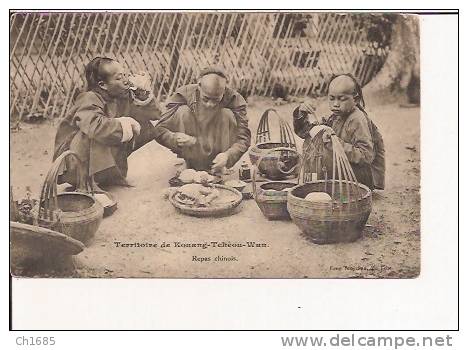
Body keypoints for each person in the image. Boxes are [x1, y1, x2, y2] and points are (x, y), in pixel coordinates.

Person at [53, 57, 162, 190]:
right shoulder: (89, 98)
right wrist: (125, 122)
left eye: (125, 75)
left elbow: (155, 115)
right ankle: (85, 182)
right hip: (74, 160)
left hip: (93, 152)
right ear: (102, 85)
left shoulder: (121, 95)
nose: (126, 80)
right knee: (96, 131)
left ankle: (107, 175)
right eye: (119, 78)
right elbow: (95, 127)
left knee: (145, 126)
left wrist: (143, 93)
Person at [293, 73, 385, 190]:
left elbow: (366, 156)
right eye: (332, 98)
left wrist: (334, 143)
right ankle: (319, 183)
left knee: (325, 150)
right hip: (345, 169)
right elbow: (306, 132)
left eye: (342, 99)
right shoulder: (335, 116)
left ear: (355, 99)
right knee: (314, 140)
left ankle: (329, 186)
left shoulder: (357, 119)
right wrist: (301, 112)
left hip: (361, 178)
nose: (335, 104)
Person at [154, 66, 251, 172]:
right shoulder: (183, 94)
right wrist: (175, 138)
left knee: (226, 114)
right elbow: (158, 129)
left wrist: (228, 156)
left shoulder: (235, 99)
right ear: (199, 86)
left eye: (216, 100)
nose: (210, 104)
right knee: (183, 112)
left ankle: (218, 166)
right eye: (206, 99)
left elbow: (244, 138)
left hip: (219, 149)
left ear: (224, 90)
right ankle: (190, 163)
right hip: (192, 145)